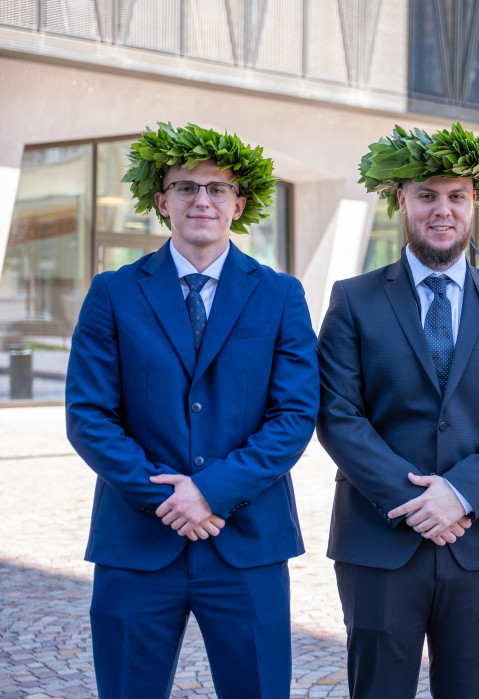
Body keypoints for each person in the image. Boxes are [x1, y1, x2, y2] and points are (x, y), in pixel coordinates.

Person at [65, 122, 319, 698]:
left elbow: (294, 416)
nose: (201, 200)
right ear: (162, 202)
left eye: (216, 189)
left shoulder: (281, 295)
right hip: (137, 539)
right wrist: (172, 499)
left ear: (239, 203)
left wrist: (212, 492)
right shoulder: (114, 292)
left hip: (247, 538)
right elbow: (88, 415)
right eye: (185, 188)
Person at [317, 122, 479, 699]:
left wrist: (461, 492)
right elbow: (337, 412)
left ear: (475, 205)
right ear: (401, 201)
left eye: (456, 196)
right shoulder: (354, 299)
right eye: (427, 195)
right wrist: (417, 499)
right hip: (379, 534)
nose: (441, 210)